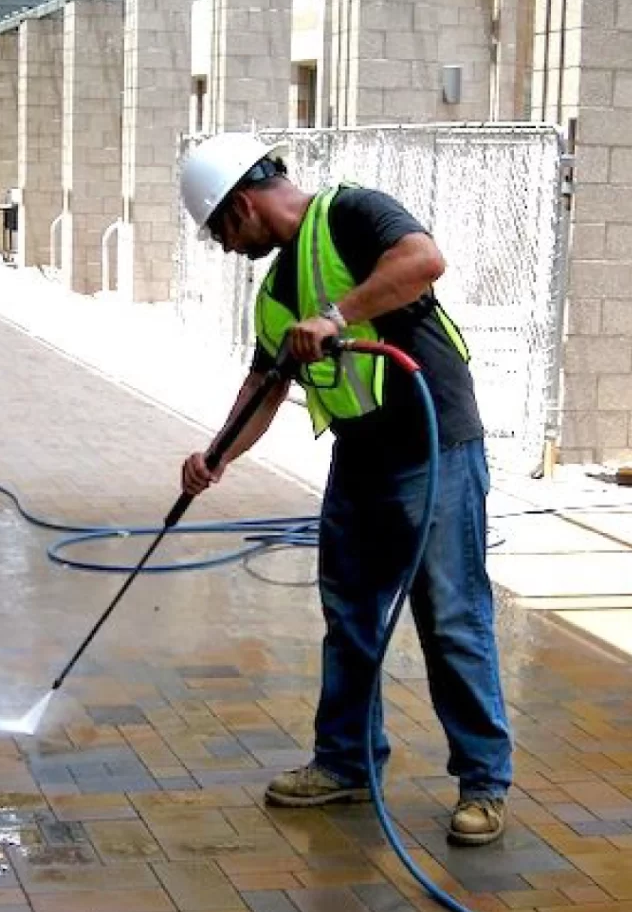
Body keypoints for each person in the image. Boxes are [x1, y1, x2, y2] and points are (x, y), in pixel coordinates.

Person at [178, 132, 513, 846]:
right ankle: (346, 764)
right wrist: (217, 455)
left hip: (435, 443)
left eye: (221, 233)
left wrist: (336, 316)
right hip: (361, 453)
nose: (228, 249)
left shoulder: (354, 213)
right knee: (351, 614)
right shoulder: (273, 294)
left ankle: (484, 782)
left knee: (450, 616)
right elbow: (263, 388)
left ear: (242, 204)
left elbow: (424, 260)